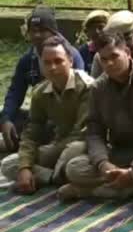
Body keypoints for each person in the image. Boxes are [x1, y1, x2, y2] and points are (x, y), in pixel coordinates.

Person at [59, 32, 133, 201]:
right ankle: (128, 186)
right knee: (74, 167)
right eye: (103, 59)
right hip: (120, 152)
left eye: (114, 56)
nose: (109, 63)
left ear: (127, 53)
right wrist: (104, 165)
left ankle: (87, 192)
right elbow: (94, 131)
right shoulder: (98, 88)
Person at [1, 37, 93, 193]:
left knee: (74, 152)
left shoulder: (87, 87)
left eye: (58, 61)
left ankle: (48, 177)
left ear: (70, 61)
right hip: (57, 148)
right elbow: (31, 132)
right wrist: (25, 167)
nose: (53, 67)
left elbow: (82, 133)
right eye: (47, 62)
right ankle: (54, 179)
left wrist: (51, 152)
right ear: (40, 65)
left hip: (83, 147)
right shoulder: (40, 92)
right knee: (9, 164)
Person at [1, 6, 84, 153]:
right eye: (33, 31)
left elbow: (79, 96)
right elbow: (15, 91)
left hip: (67, 117)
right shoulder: (27, 60)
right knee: (8, 116)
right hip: (41, 114)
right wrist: (6, 119)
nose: (37, 35)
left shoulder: (70, 56)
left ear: (53, 32)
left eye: (42, 30)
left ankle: (34, 147)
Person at [78, 10, 110, 74]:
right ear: (87, 32)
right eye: (92, 28)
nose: (97, 32)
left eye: (101, 27)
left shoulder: (115, 49)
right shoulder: (83, 51)